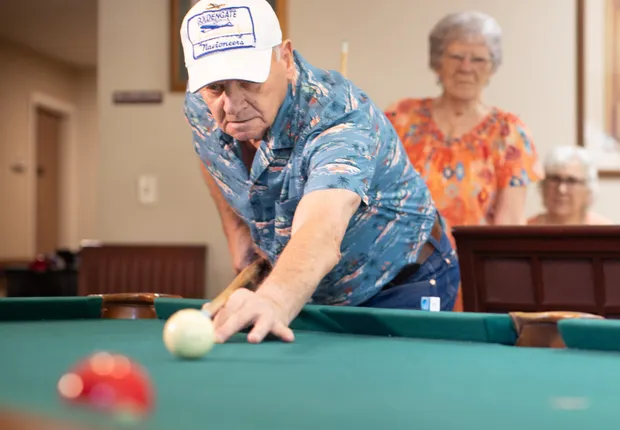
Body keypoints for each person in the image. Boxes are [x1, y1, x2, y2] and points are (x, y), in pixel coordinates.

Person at [180, 0, 460, 344]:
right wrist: (236, 232)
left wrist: (273, 298)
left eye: (248, 81)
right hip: (308, 289)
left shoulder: (337, 116)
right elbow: (213, 157)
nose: (232, 105)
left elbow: (322, 226)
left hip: (400, 284)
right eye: (217, 88)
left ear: (284, 58)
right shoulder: (201, 103)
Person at [385, 11, 542, 233]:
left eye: (478, 59)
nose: (466, 67)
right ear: (437, 62)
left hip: (472, 264)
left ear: (492, 68)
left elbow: (510, 223)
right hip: (400, 262)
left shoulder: (509, 133)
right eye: (456, 57)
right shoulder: (401, 117)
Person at [527, 146, 613, 225]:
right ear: (543, 186)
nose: (561, 189)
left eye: (571, 181)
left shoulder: (606, 232)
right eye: (555, 179)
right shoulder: (525, 231)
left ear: (588, 189)